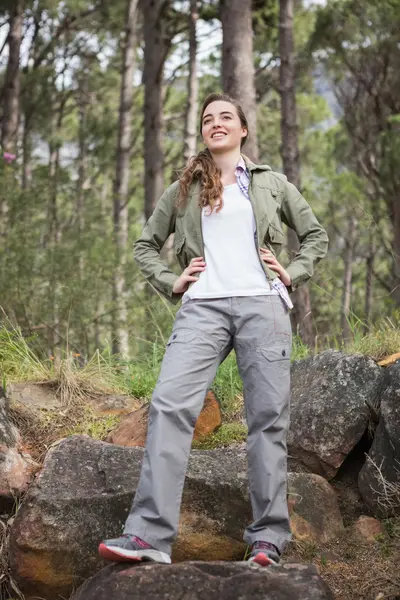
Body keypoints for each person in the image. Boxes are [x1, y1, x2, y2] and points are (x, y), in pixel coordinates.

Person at [99, 93, 329, 567]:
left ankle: (267, 539)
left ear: (243, 129)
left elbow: (316, 235)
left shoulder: (271, 184)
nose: (216, 123)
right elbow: (145, 245)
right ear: (203, 132)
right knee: (168, 405)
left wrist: (291, 272)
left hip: (262, 306)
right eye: (208, 119)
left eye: (226, 117)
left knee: (267, 419)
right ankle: (148, 537)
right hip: (202, 308)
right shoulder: (185, 188)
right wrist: (172, 279)